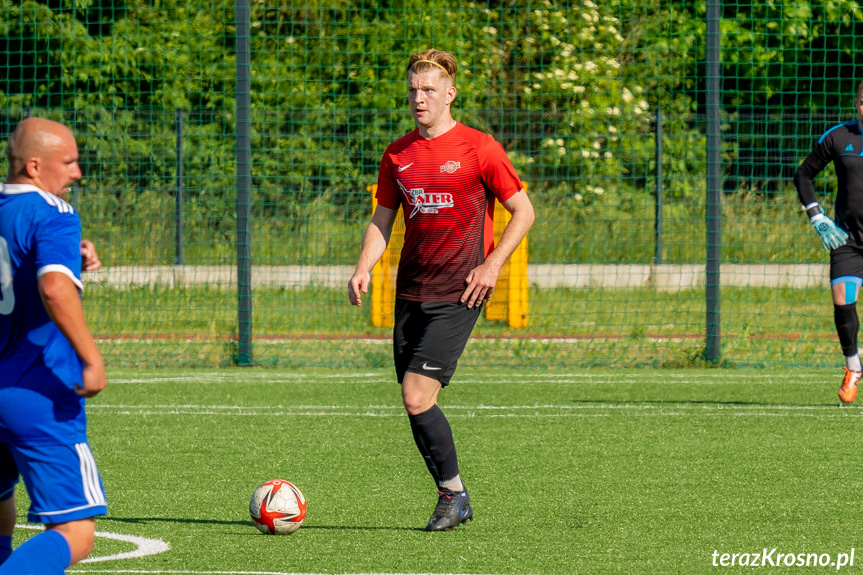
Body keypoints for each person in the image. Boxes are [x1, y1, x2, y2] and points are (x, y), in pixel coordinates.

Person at [348, 49, 535, 530]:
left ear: (450, 94)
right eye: (413, 90)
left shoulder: (480, 148)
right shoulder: (397, 153)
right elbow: (382, 219)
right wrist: (363, 266)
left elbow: (524, 211)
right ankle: (453, 494)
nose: (419, 98)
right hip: (410, 291)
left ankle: (454, 495)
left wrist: (492, 265)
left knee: (416, 395)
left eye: (429, 90)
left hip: (461, 290)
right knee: (414, 401)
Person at [0, 117, 108, 573]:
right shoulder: (53, 213)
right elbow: (54, 290)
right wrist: (91, 358)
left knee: (1, 501)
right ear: (33, 166)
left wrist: (70, 257)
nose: (78, 173)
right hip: (36, 391)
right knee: (75, 533)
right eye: (69, 162)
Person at [794, 80, 863, 404]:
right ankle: (853, 367)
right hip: (847, 239)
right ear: (856, 102)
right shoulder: (838, 136)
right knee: (842, 300)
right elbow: (803, 175)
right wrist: (817, 216)